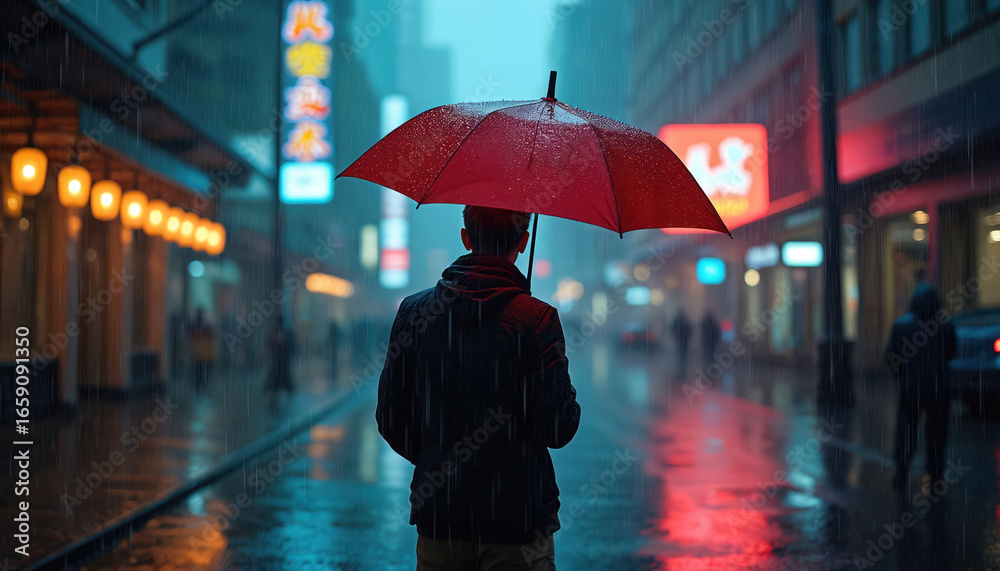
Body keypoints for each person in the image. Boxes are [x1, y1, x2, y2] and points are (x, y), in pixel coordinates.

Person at [376, 206, 581, 570]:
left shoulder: (414, 312)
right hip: (517, 524)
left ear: (466, 238)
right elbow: (558, 428)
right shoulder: (538, 320)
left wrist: (439, 460)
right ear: (524, 241)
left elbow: (392, 419)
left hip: (441, 519)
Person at [884, 284, 956, 490]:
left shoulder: (902, 325)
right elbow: (952, 353)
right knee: (937, 435)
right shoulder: (946, 326)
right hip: (938, 389)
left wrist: (902, 375)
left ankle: (901, 473)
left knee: (906, 433)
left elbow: (890, 356)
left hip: (911, 389)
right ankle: (936, 476)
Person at [188, 308, 214, 389]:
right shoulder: (204, 324)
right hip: (202, 352)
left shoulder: (195, 324)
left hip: (200, 352)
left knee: (199, 369)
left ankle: (200, 385)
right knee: (201, 369)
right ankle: (201, 384)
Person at [670, 311, 692, 377]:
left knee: (681, 354)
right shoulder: (684, 321)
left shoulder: (678, 321)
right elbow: (690, 329)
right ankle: (682, 368)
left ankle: (681, 368)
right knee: (683, 354)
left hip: (681, 340)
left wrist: (676, 336)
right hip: (683, 340)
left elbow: (689, 329)